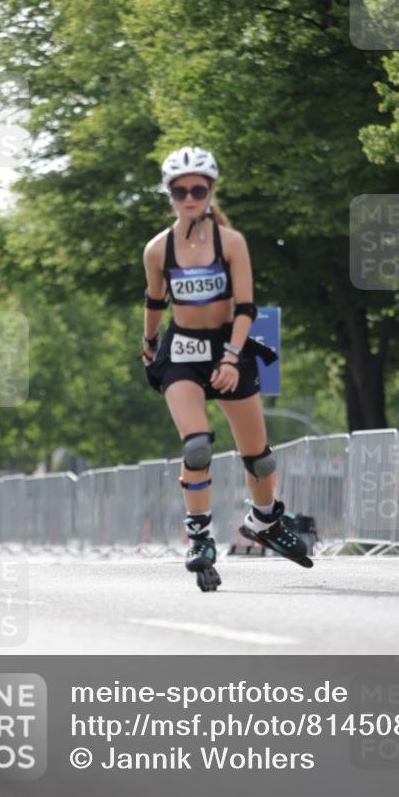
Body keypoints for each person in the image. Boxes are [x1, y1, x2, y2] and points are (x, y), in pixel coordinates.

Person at [141, 146, 313, 591]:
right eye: (180, 191)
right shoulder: (158, 249)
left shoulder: (231, 243)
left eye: (198, 189)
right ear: (170, 194)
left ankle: (265, 520)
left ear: (211, 190)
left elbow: (246, 306)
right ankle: (199, 537)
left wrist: (233, 358)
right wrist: (147, 341)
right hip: (181, 349)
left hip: (226, 347)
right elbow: (156, 299)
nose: (189, 197)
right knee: (196, 447)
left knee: (259, 458)